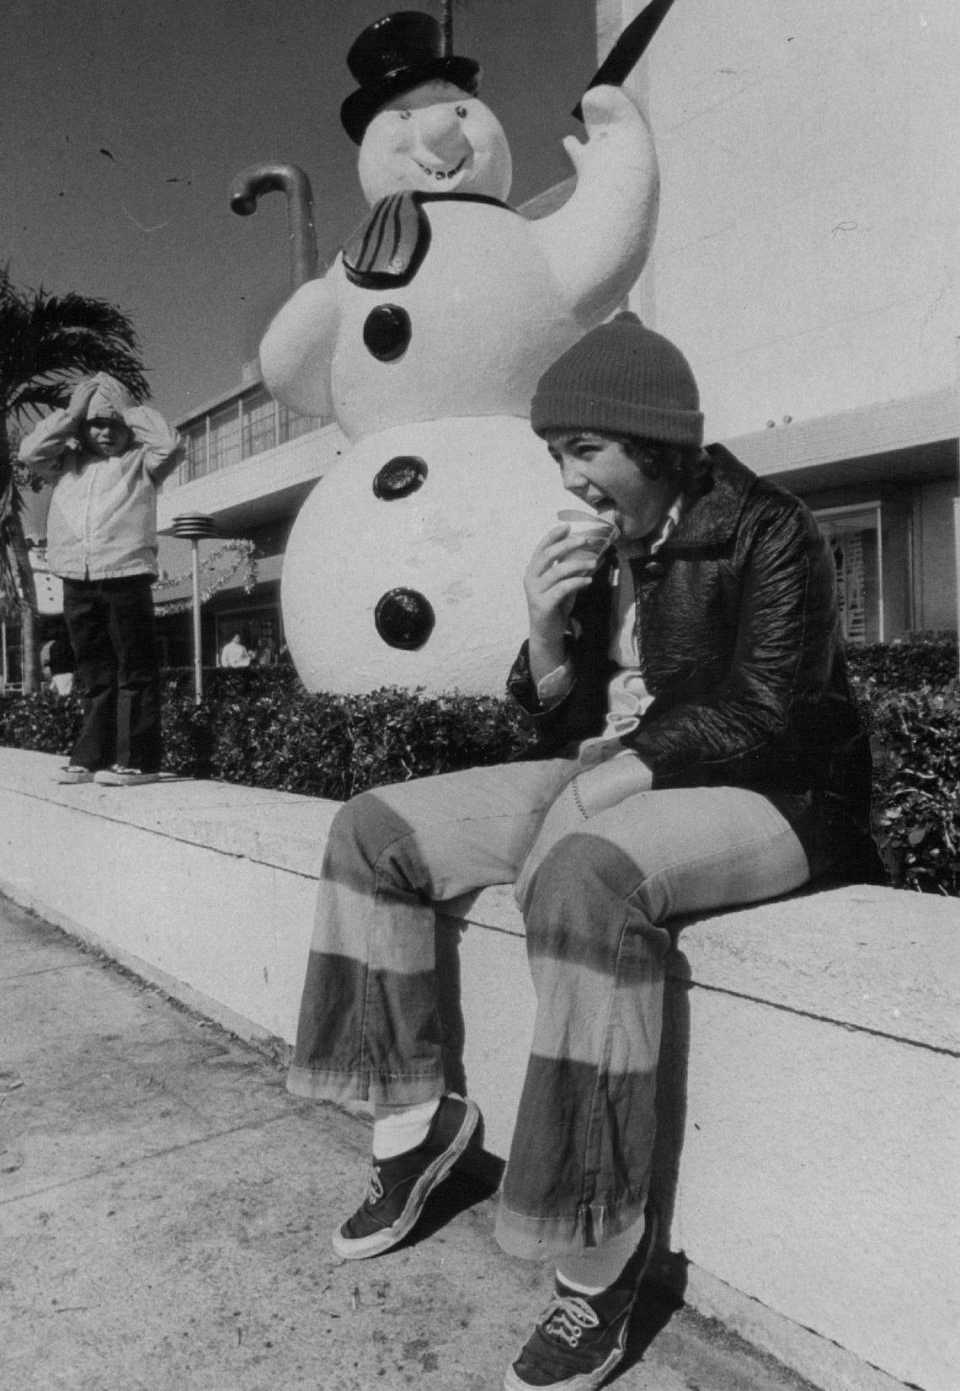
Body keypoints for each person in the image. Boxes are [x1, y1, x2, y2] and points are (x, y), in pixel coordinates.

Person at [286, 313, 881, 1391]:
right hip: (618, 778)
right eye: (557, 454)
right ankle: (416, 1129)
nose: (570, 478)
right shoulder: (606, 550)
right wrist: (547, 635)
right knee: (370, 831)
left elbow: (769, 707)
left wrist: (608, 782)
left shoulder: (769, 528)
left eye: (583, 451)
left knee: (582, 879)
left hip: (776, 797)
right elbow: (556, 731)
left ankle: (599, 1265)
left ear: (650, 444)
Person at [19, 373, 184, 785]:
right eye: (96, 423)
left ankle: (139, 761)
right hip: (78, 578)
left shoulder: (141, 463)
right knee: (94, 672)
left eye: (114, 423)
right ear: (81, 427)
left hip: (126, 576)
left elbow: (171, 444)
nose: (106, 431)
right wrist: (73, 413)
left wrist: (128, 408)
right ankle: (92, 756)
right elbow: (29, 452)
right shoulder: (66, 463)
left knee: (135, 670)